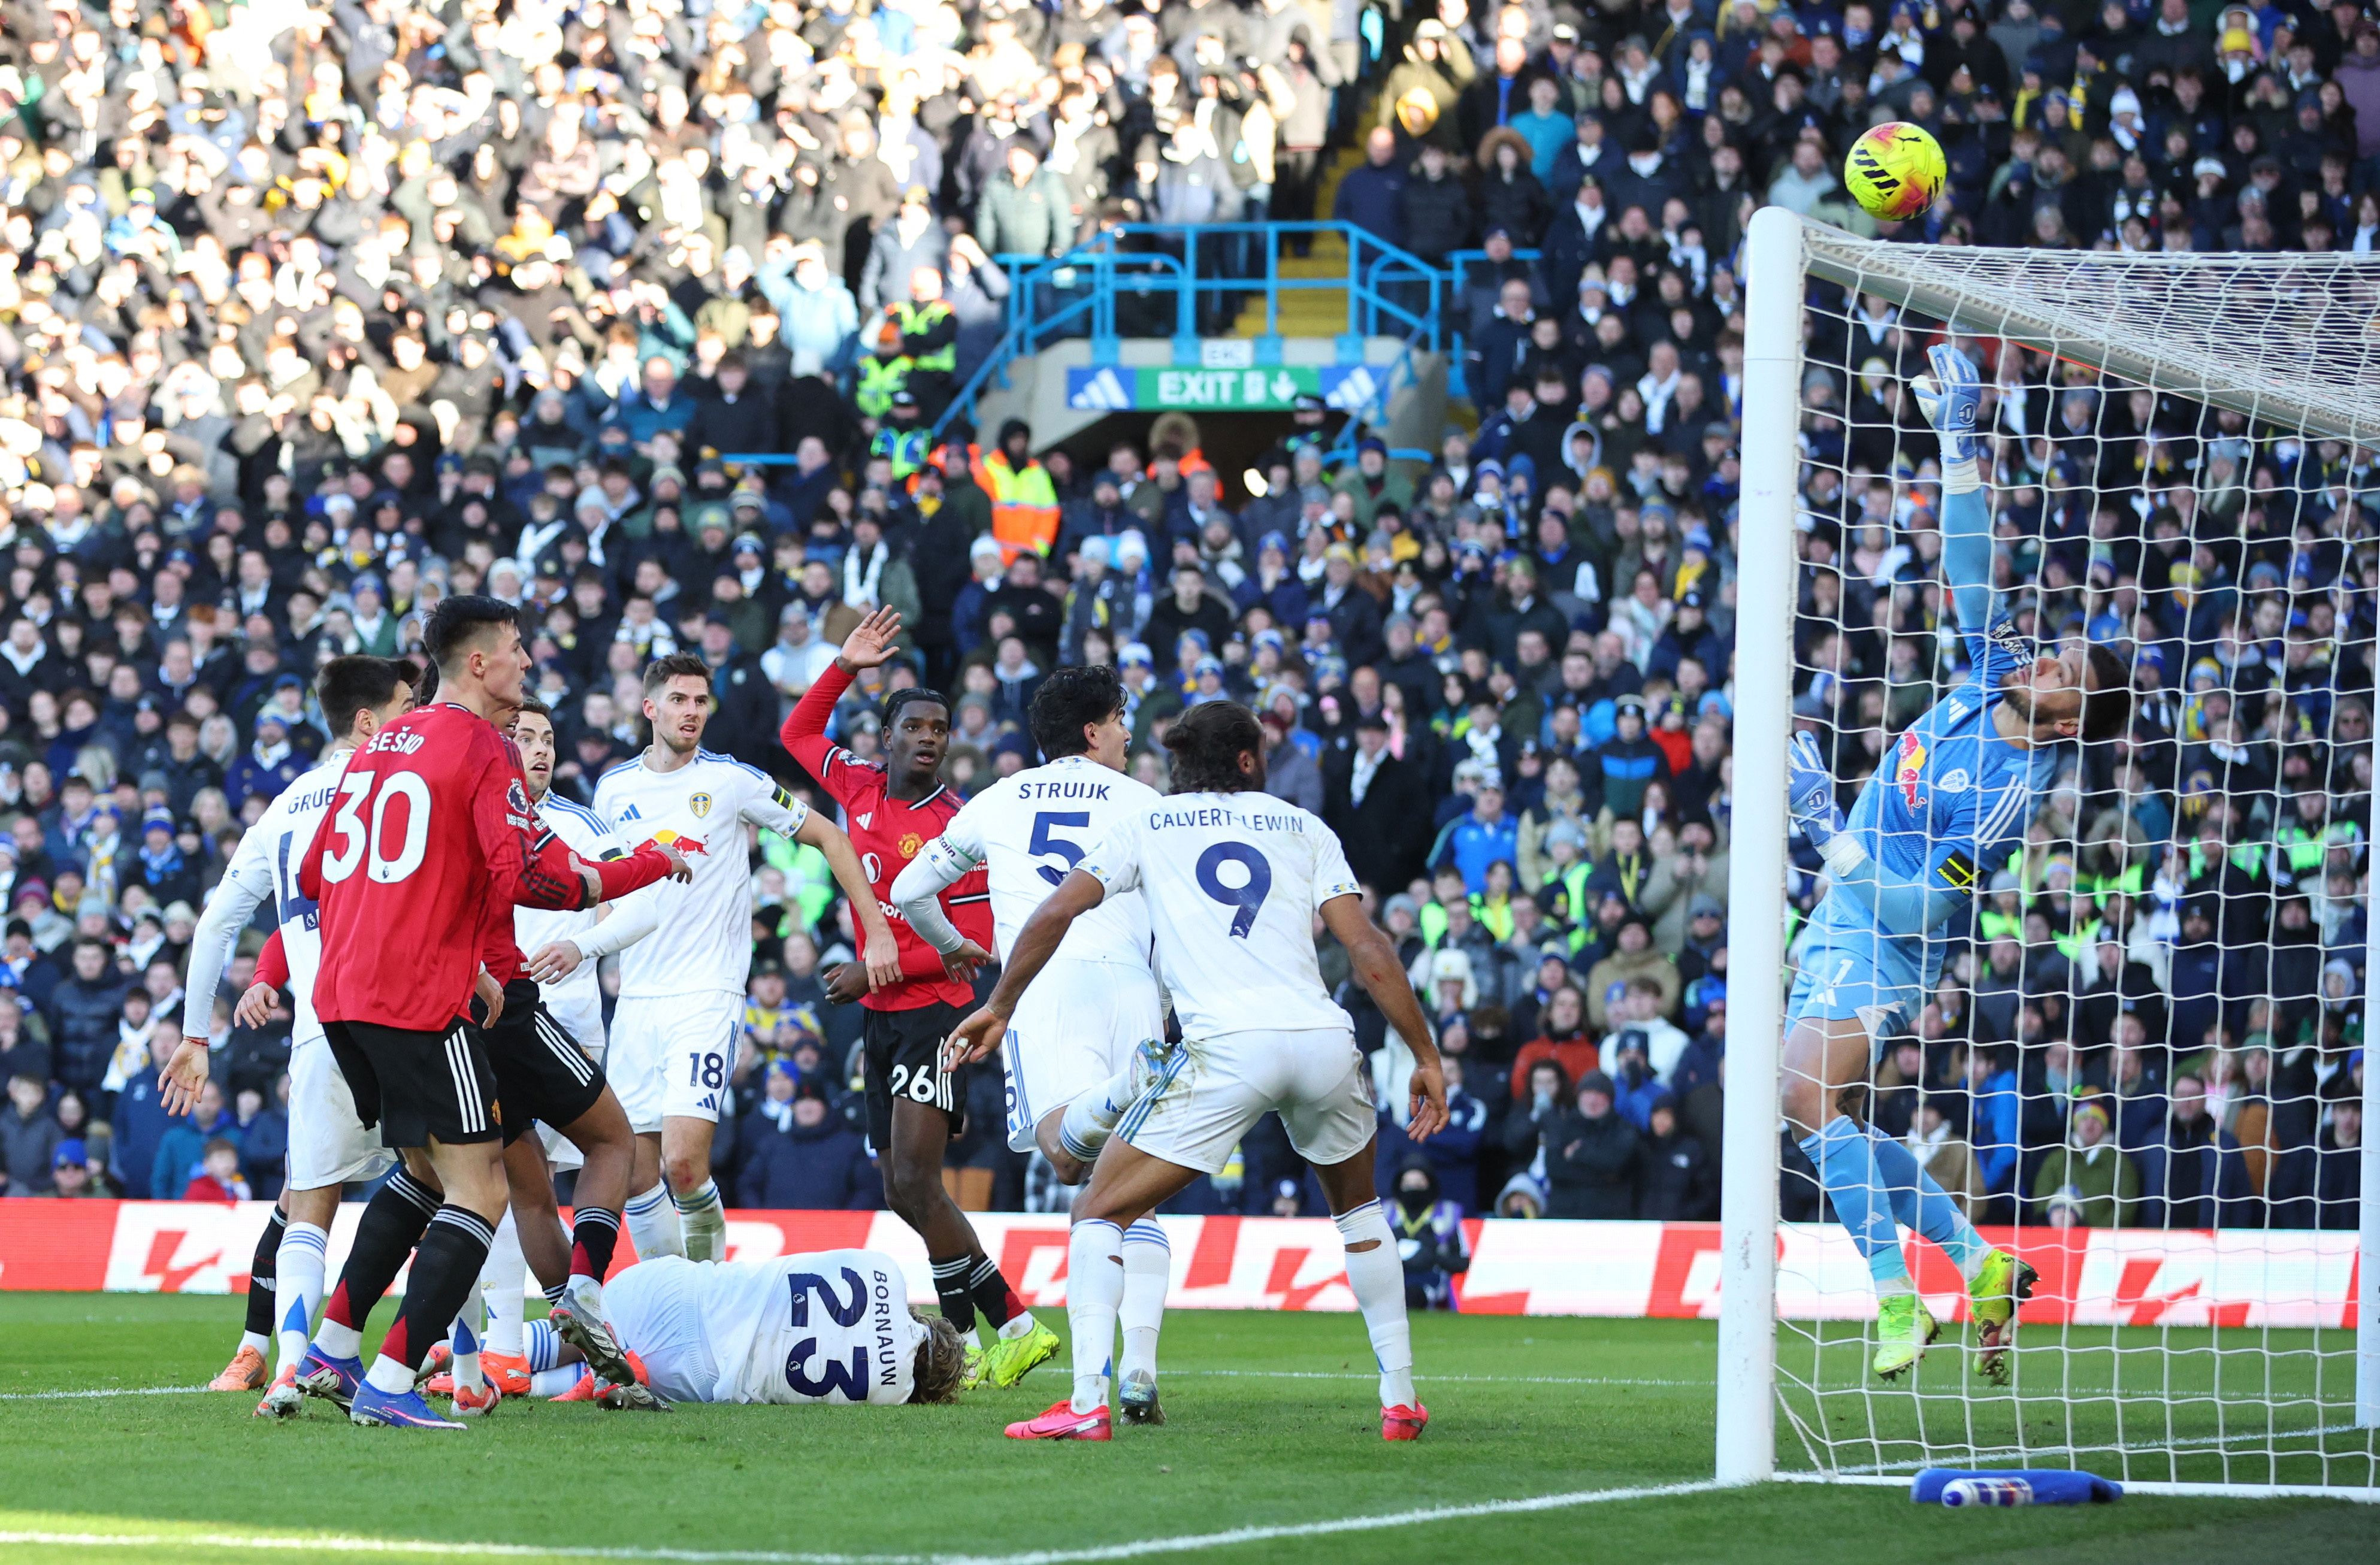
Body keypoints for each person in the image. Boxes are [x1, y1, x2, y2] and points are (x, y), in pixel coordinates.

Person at [945, 700, 1450, 1443]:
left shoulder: (1147, 825)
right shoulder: (1303, 826)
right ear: (1249, 760)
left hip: (1225, 1049)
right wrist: (1426, 1056)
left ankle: (1087, 1403)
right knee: (1358, 1213)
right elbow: (1371, 952)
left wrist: (999, 1005)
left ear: (1179, 765)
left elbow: (1053, 914)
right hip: (1320, 1039)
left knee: (1097, 1212)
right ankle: (1400, 1397)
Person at [1782, 347, 2133, 1385]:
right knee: (1825, 1119)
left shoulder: (2003, 798)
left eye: (2060, 669)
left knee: (1800, 1095)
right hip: (1841, 912)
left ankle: (1896, 1299)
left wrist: (1818, 826)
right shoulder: (1991, 676)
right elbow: (1972, 568)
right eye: (2052, 650)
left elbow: (1906, 899)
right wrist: (1958, 442)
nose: (2041, 658)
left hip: (1889, 940)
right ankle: (1977, 1262)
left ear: (2071, 718)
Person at [274, 597, 687, 1431]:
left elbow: (318, 872)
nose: (527, 663)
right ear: (477, 664)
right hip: (423, 1000)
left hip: (343, 1000)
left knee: (426, 1173)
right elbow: (532, 880)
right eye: (517, 650)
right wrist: (646, 864)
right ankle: (394, 1380)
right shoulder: (479, 747)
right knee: (482, 1187)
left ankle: (335, 1349)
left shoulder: (376, 747)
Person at [890, 664, 1173, 1421]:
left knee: (1066, 1154)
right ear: (1092, 730)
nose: (1127, 732)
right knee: (1136, 1194)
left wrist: (957, 948)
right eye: (1119, 719)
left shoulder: (996, 799)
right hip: (1133, 987)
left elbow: (907, 891)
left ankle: (1112, 1097)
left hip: (1043, 985)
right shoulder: (1149, 804)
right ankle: (1139, 1373)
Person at [782, 608, 1055, 1391]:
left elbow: (964, 946)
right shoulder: (856, 786)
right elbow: (798, 736)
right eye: (915, 727)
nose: (929, 738)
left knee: (914, 1179)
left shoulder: (958, 827)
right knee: (902, 1187)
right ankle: (963, 1344)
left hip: (935, 1015)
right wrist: (844, 666)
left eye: (939, 729)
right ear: (889, 736)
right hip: (885, 1020)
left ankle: (1017, 1325)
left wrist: (874, 971)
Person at [581, 653, 898, 1268]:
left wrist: (877, 930)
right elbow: (606, 879)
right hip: (639, 998)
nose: (692, 712)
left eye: (701, 701)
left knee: (682, 1163)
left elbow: (830, 836)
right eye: (679, 700)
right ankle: (675, 1312)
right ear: (650, 708)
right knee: (639, 1175)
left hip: (707, 994)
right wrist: (602, 953)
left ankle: (708, 1291)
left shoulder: (732, 781)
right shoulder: (613, 788)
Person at [168, 656, 419, 1409]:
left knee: (308, 1204)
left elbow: (216, 925)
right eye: (408, 704)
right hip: (406, 1023)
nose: (418, 716)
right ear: (369, 720)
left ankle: (286, 1368)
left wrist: (195, 1037)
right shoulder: (405, 788)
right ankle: (460, 1367)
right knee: (462, 1187)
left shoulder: (281, 809)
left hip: (318, 1036)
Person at [586, 1250, 969, 1407]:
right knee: (592, 1367)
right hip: (694, 1379)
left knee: (596, 1327)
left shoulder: (885, 1270)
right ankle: (555, 1382)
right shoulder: (893, 1393)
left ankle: (528, 1355)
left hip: (683, 1294)